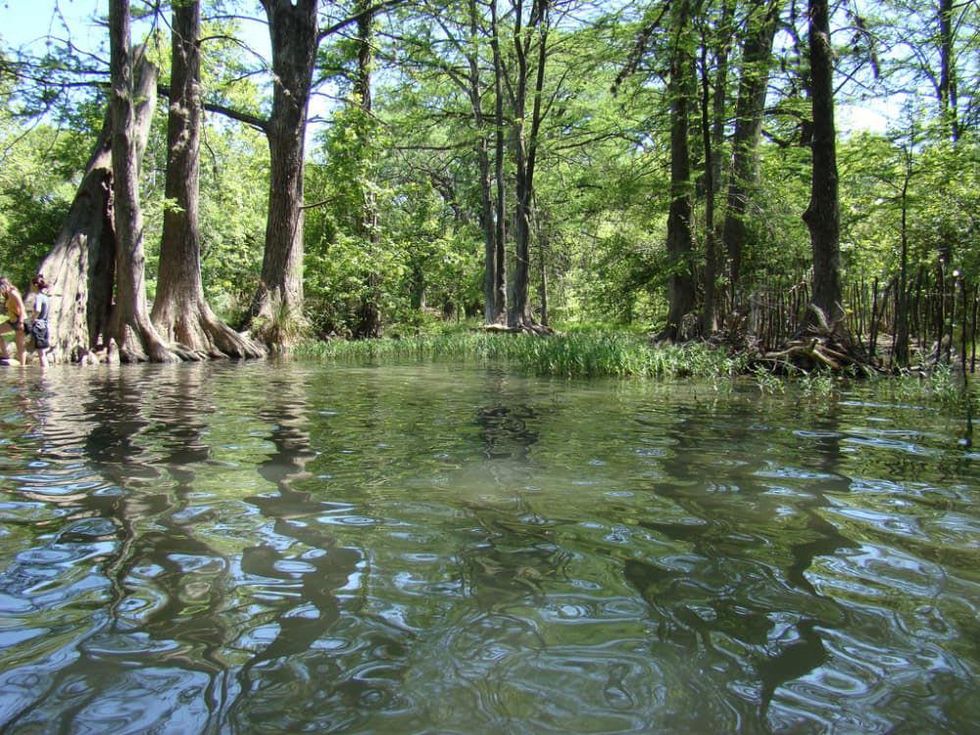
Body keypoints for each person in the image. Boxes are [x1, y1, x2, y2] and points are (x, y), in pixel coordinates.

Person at [0, 276, 27, 366]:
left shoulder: (13, 293)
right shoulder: (7, 294)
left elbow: (22, 307)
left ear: (5, 285)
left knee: (20, 345)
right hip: (12, 321)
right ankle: (5, 355)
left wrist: (21, 322)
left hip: (20, 321)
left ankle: (22, 367)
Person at [29, 274, 51, 367]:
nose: (30, 287)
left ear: (35, 285)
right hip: (45, 326)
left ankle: (44, 377)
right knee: (43, 353)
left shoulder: (39, 297)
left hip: (39, 327)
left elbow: (38, 310)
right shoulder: (46, 297)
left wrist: (32, 319)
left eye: (31, 285)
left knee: (41, 354)